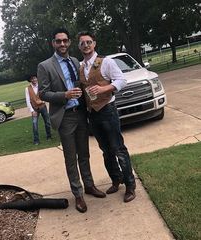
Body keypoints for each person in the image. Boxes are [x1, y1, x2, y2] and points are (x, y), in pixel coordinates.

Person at [37, 28, 106, 213]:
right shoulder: (45, 66)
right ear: (53, 43)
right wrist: (64, 95)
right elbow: (42, 93)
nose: (62, 44)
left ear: (68, 43)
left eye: (65, 41)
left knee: (84, 154)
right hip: (65, 116)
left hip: (81, 113)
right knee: (71, 158)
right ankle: (78, 194)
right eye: (58, 41)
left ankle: (89, 185)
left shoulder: (76, 61)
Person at [77, 31, 136, 203]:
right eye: (82, 43)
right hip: (92, 114)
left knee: (118, 148)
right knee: (106, 151)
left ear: (94, 43)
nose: (86, 45)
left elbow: (121, 80)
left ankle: (130, 185)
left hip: (108, 110)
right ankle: (116, 179)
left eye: (89, 42)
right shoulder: (81, 67)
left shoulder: (106, 62)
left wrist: (104, 89)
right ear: (79, 47)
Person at [25, 75, 52, 145]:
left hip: (43, 107)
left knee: (47, 122)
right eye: (32, 79)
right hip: (34, 108)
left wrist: (43, 101)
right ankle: (36, 140)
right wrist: (32, 110)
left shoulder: (41, 86)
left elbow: (45, 95)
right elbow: (28, 100)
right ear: (30, 80)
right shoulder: (27, 89)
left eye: (35, 78)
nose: (34, 80)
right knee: (34, 124)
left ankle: (49, 136)